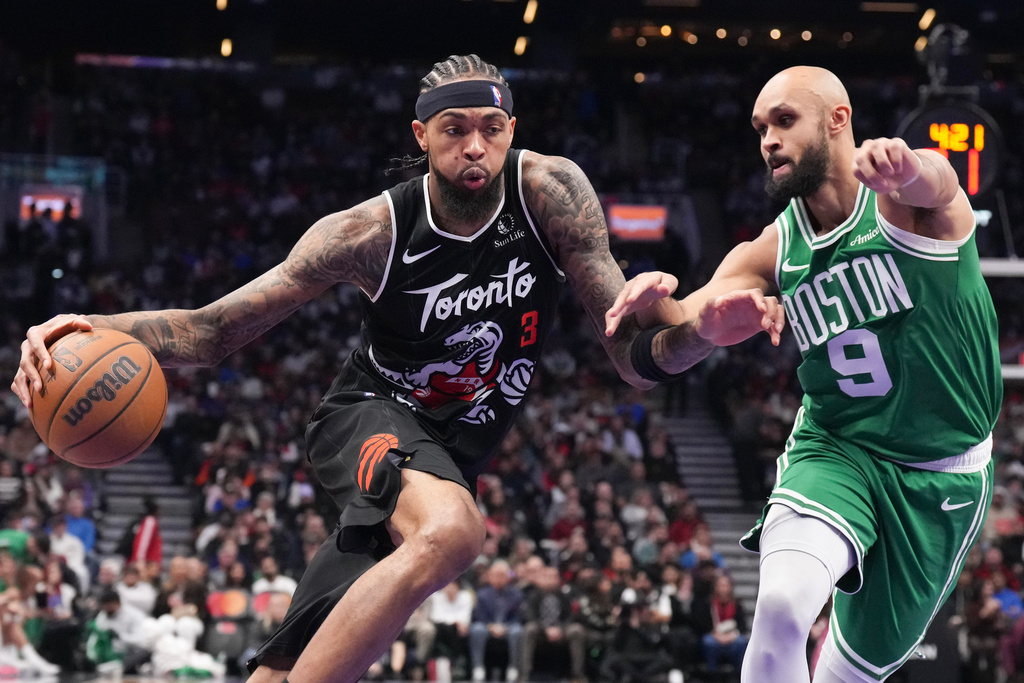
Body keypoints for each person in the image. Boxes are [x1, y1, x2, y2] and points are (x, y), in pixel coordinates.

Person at [12, 53, 674, 683]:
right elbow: (213, 332)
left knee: (284, 663)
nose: (474, 146)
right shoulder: (370, 232)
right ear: (421, 134)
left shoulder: (551, 196)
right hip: (369, 416)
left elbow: (636, 360)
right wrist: (91, 328)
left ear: (512, 130)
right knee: (453, 530)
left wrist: (698, 328)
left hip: (444, 454)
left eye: (490, 128)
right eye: (454, 129)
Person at [605, 65, 1002, 682]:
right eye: (761, 128)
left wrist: (911, 167)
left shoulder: (907, 204)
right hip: (837, 447)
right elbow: (683, 318)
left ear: (837, 120)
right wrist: (652, 293)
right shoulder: (770, 249)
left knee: (845, 674)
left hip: (939, 475)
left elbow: (943, 182)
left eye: (784, 121)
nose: (768, 139)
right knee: (783, 607)